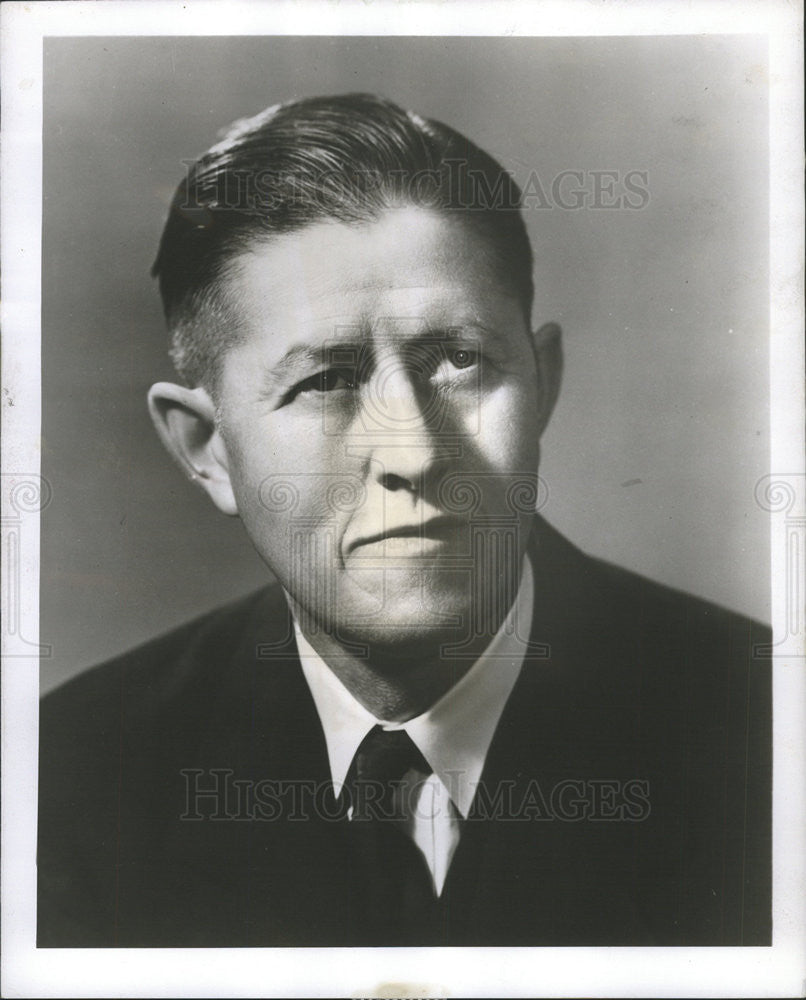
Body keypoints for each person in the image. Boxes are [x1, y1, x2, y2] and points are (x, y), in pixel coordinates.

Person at [37, 93, 771, 947]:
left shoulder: (764, 733)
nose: (413, 453)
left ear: (543, 386)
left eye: (460, 361)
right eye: (327, 382)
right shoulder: (68, 782)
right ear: (207, 448)